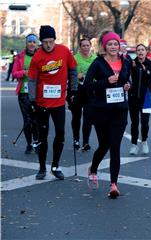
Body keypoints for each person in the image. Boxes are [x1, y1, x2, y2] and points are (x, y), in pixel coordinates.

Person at [84, 31, 131, 199]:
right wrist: (105, 82)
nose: (113, 47)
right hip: (102, 111)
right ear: (104, 47)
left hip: (120, 110)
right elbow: (87, 85)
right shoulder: (98, 63)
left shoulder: (125, 62)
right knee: (104, 145)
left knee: (115, 147)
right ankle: (93, 168)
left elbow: (127, 80)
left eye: (115, 44)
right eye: (110, 44)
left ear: (119, 46)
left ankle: (113, 185)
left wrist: (127, 86)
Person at [28, 25, 78, 180]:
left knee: (60, 133)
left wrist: (73, 91)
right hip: (42, 103)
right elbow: (32, 80)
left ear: (54, 40)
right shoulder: (37, 57)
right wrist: (32, 101)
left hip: (59, 103)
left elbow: (73, 70)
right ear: (40, 42)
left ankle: (55, 166)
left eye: (51, 41)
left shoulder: (64, 51)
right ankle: (42, 167)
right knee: (43, 136)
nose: (48, 45)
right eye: (45, 42)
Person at [128, 44, 151, 155]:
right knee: (134, 123)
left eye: (142, 50)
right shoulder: (131, 64)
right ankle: (134, 145)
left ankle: (144, 141)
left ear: (146, 52)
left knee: (145, 122)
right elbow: (126, 77)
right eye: (138, 50)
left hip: (146, 98)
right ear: (136, 52)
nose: (140, 52)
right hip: (133, 98)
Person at [12, 34, 39, 154]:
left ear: (36, 43)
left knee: (36, 121)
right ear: (26, 43)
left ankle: (36, 142)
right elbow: (14, 73)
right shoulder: (20, 57)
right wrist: (25, 72)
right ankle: (29, 145)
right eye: (29, 42)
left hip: (38, 93)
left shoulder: (41, 56)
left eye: (34, 41)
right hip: (24, 93)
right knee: (27, 120)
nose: (32, 44)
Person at [69, 38, 97, 151]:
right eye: (83, 46)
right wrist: (77, 76)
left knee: (88, 117)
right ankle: (76, 140)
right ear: (80, 47)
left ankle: (85, 142)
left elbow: (99, 75)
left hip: (90, 91)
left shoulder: (95, 59)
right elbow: (69, 74)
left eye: (87, 45)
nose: (85, 47)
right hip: (77, 90)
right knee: (76, 116)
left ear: (90, 46)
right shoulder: (74, 58)